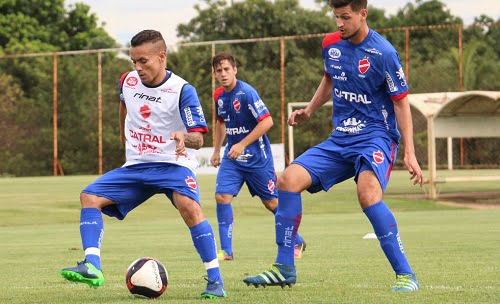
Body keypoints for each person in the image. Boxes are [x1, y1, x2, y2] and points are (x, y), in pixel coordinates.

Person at [243, 0, 424, 292]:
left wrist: (410, 153)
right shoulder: (331, 44)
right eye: (336, 17)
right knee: (288, 179)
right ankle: (284, 267)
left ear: (363, 14)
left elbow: (401, 104)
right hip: (340, 138)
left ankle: (406, 275)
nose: (339, 23)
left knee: (367, 194)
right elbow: (330, 78)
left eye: (345, 17)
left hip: (376, 136)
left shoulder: (385, 53)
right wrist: (310, 110)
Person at [60, 30, 226, 299]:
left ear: (162, 57)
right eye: (133, 61)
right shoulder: (127, 81)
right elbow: (124, 106)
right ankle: (92, 266)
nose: (137, 68)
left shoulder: (183, 90)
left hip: (173, 164)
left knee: (190, 208)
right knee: (89, 197)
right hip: (137, 165)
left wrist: (183, 136)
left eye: (143, 61)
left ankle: (215, 281)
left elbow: (198, 138)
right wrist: (125, 134)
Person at [210, 52, 306, 261]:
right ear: (215, 74)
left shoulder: (246, 93)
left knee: (272, 204)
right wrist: (217, 150)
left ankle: (297, 240)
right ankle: (227, 251)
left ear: (234, 69)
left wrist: (243, 144)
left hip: (257, 159)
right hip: (232, 159)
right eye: (219, 71)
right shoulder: (219, 96)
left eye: (227, 69)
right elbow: (220, 122)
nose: (223, 74)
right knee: (221, 197)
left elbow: (267, 121)